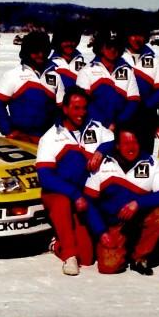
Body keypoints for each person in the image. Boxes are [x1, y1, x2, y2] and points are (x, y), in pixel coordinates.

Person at [36, 87, 114, 276]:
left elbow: (111, 138)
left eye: (84, 108)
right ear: (65, 109)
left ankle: (58, 242)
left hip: (83, 195)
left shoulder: (94, 127)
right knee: (62, 201)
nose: (81, 113)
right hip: (58, 193)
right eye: (77, 108)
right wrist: (74, 194)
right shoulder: (51, 137)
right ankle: (68, 255)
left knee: (87, 258)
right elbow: (45, 177)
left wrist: (101, 150)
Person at [83, 123, 159, 275]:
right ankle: (123, 249)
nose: (131, 147)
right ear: (117, 145)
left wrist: (138, 203)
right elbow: (89, 202)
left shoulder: (151, 163)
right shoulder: (103, 164)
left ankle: (140, 257)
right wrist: (101, 232)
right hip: (113, 224)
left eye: (134, 142)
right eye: (126, 143)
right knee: (108, 267)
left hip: (138, 218)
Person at [0, 31, 64, 144]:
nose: (40, 55)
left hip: (47, 140)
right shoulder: (13, 75)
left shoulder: (55, 76)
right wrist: (8, 130)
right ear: (27, 51)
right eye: (35, 51)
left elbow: (62, 110)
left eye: (44, 51)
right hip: (20, 139)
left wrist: (58, 135)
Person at [76, 30, 140, 130]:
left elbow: (133, 101)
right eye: (109, 46)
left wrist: (118, 123)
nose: (113, 50)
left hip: (121, 128)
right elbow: (84, 103)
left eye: (117, 46)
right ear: (100, 48)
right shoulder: (86, 71)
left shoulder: (128, 71)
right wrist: (105, 123)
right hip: (94, 129)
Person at [122, 29, 159, 153]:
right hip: (122, 117)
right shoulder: (117, 55)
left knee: (143, 160)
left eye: (141, 35)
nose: (137, 39)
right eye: (133, 34)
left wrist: (142, 106)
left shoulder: (154, 60)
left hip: (146, 120)